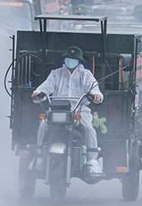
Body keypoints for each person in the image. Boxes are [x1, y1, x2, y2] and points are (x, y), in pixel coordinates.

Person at [31, 46, 104, 174]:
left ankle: (92, 161)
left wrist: (96, 95)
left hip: (79, 110)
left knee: (89, 129)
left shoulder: (85, 75)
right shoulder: (56, 73)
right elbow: (45, 87)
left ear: (79, 61)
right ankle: (40, 156)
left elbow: (94, 89)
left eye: (74, 59)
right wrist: (38, 93)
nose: (71, 61)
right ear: (64, 60)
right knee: (43, 125)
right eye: (69, 59)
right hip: (57, 110)